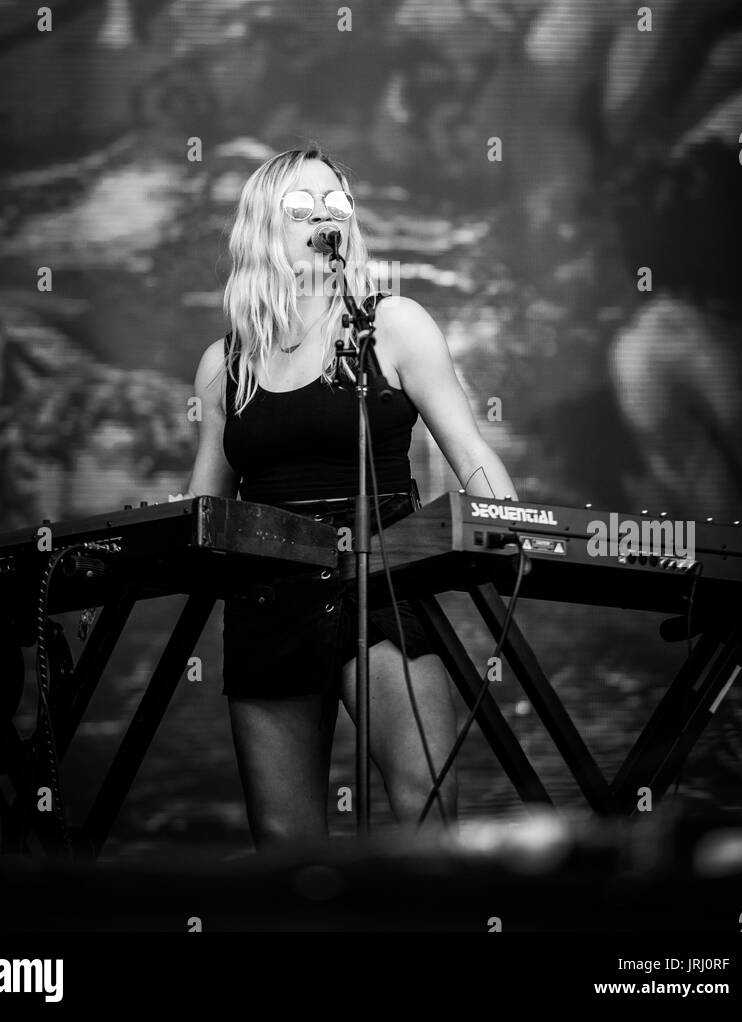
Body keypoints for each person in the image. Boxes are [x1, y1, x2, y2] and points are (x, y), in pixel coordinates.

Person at [186, 145, 519, 846]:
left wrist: (518, 533)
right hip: (268, 597)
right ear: (262, 227)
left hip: (383, 576)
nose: (320, 217)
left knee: (424, 806)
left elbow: (469, 449)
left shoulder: (391, 325)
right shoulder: (227, 364)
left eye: (333, 203)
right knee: (285, 839)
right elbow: (203, 509)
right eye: (299, 206)